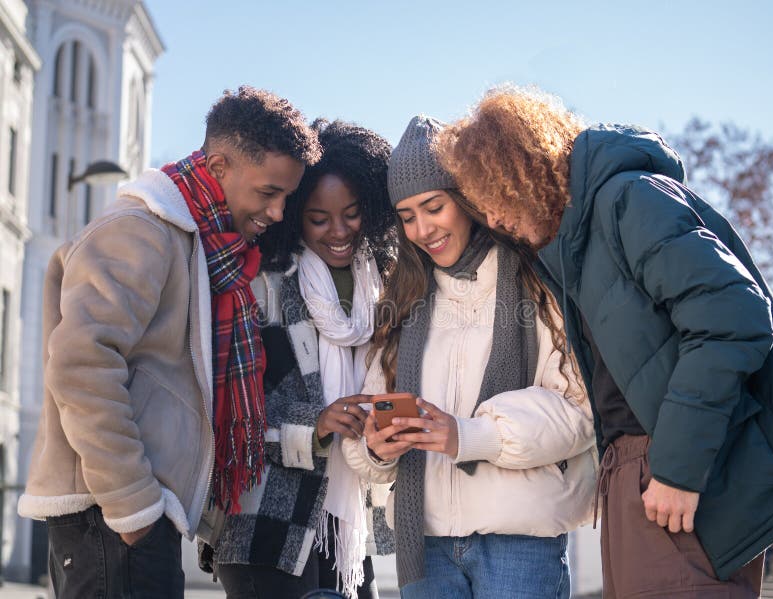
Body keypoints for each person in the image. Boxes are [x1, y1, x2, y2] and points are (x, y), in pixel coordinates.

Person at [435, 85, 773, 598]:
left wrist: (677, 470)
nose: (492, 220)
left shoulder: (629, 200)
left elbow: (732, 319)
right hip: (639, 474)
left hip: (674, 473)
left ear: (522, 170)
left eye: (492, 198)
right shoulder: (582, 237)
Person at [17, 86, 321, 598]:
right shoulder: (141, 231)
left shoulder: (199, 242)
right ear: (220, 165)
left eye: (287, 196)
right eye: (269, 192)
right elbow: (79, 365)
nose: (276, 211)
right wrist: (133, 505)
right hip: (111, 516)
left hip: (131, 516)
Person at [342, 115, 597, 599]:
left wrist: (468, 434)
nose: (421, 229)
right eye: (407, 215)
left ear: (467, 200)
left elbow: (580, 411)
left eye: (433, 207)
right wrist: (377, 446)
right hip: (427, 546)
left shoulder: (537, 284)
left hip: (520, 541)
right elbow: (367, 422)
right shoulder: (403, 298)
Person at [209, 120, 397, 599]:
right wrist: (315, 425)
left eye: (352, 214)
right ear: (294, 216)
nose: (339, 232)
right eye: (319, 219)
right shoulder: (263, 287)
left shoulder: (385, 291)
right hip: (266, 525)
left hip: (351, 527)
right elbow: (230, 415)